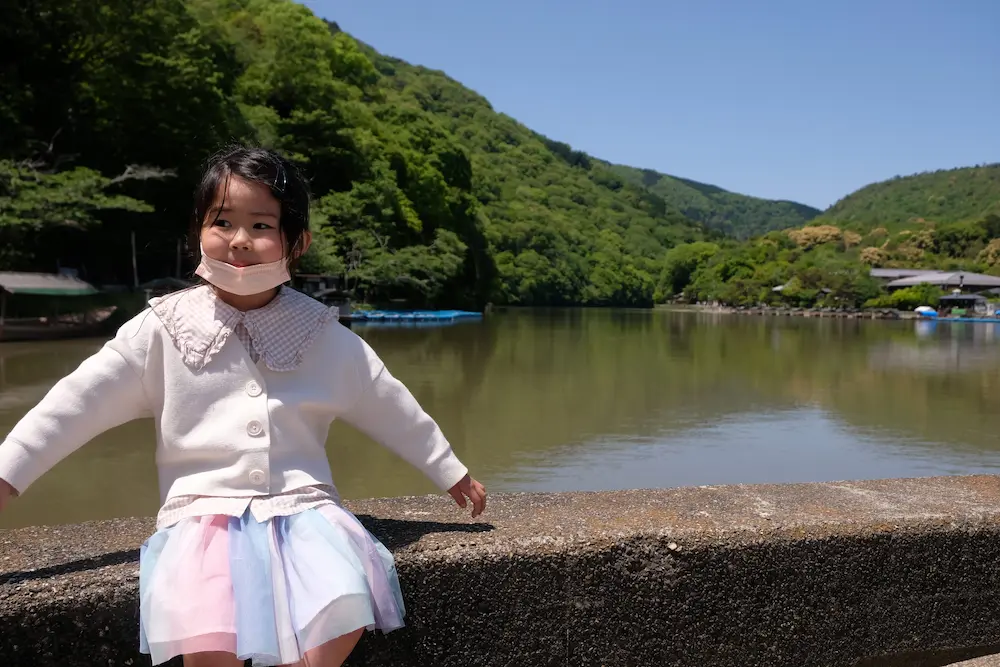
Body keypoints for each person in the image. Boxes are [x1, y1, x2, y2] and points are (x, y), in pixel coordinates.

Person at [0, 145, 486, 667]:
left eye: (260, 225)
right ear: (198, 231)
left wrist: (449, 469)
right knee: (208, 636)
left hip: (306, 507)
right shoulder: (162, 330)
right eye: (222, 221)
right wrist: (8, 474)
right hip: (202, 513)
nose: (238, 241)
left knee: (343, 600)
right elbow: (73, 406)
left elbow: (387, 401)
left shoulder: (321, 332)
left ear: (296, 241)